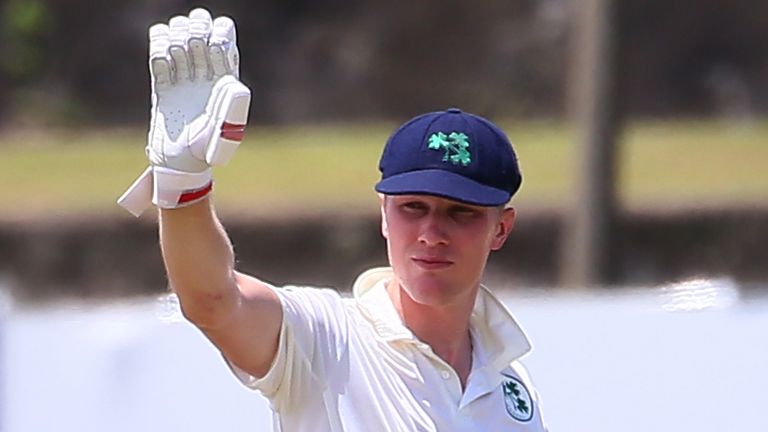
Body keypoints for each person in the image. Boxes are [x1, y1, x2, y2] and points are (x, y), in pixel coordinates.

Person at [118, 8, 548, 432]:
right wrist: (184, 183)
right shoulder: (327, 338)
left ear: (502, 228)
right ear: (384, 214)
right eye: (412, 208)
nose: (431, 234)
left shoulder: (510, 385)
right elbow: (212, 300)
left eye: (461, 213)